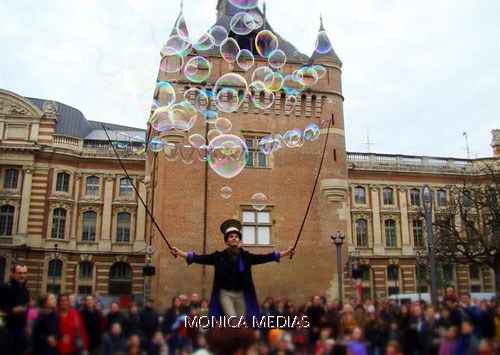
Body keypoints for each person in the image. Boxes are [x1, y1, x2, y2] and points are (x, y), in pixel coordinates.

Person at [170, 219, 294, 321]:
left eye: (236, 237)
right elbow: (198, 258)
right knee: (233, 319)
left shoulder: (246, 257)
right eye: (231, 237)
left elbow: (267, 257)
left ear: (239, 240)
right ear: (227, 241)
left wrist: (287, 252)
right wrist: (179, 252)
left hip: (241, 294)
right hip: (225, 294)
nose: (234, 238)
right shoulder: (218, 257)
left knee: (241, 322)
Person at [0, 264, 30, 354]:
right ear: (13, 274)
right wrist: (12, 311)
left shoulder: (25, 290)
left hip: (20, 330)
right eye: (19, 273)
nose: (22, 276)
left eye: (24, 273)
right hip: (6, 330)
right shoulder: (5, 288)